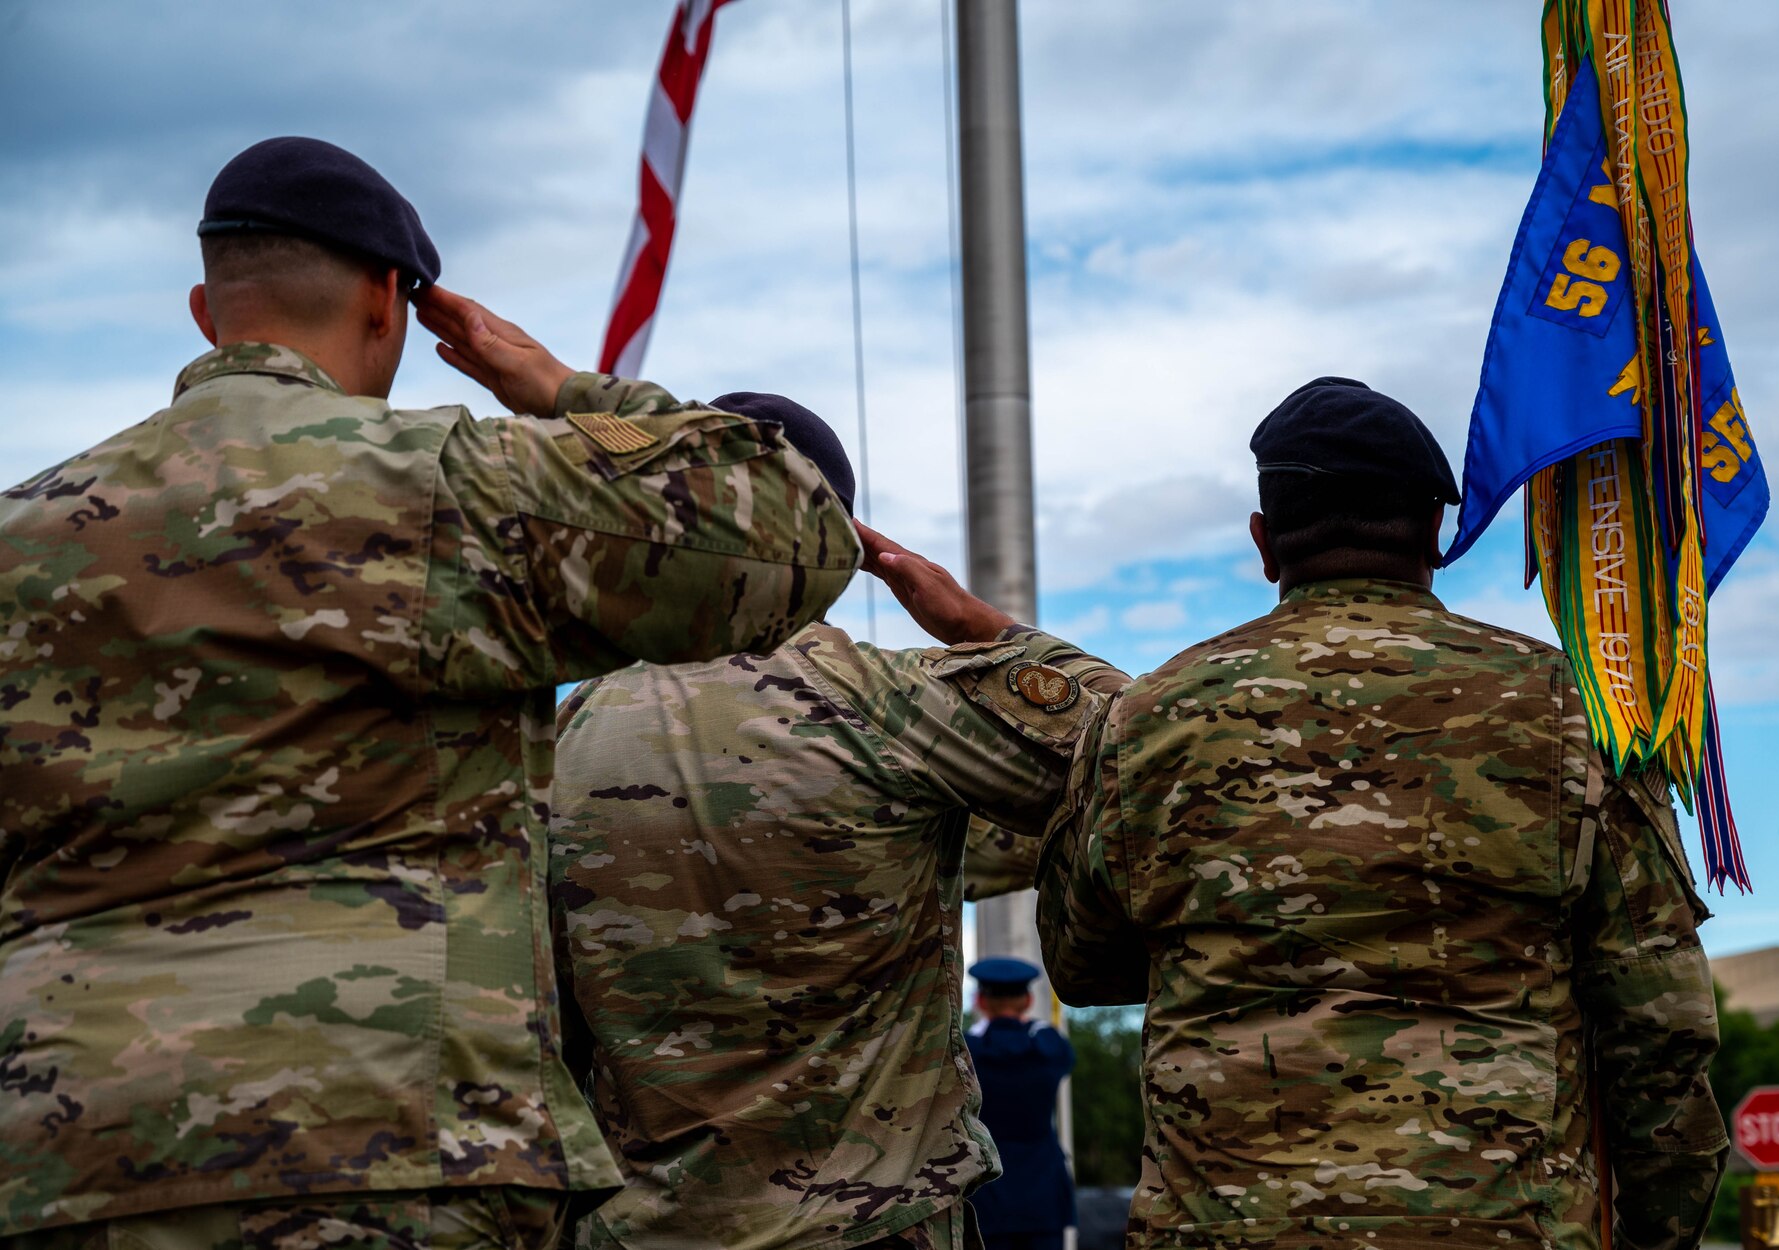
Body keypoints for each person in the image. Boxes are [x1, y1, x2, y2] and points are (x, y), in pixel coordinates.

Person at [0, 139, 857, 1247]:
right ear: (389, 299)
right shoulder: (434, 481)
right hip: (384, 1138)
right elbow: (789, 516)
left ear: (207, 311)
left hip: (61, 1153)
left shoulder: (23, 533)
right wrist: (560, 392)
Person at [1037, 377, 1728, 1250]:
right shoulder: (1568, 709)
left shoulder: (1145, 719)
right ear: (1436, 533)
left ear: (1264, 542)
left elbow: (1083, 964)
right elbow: (1658, 1026)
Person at [549, 395, 1123, 1250]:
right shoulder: (886, 701)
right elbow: (1146, 753)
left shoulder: (570, 730)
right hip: (872, 1224)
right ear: (838, 545)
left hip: (644, 1230)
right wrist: (984, 631)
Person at [963, 958, 1076, 1250]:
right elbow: (1059, 1052)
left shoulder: (967, 1051)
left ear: (980, 1000)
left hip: (985, 1193)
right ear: (1028, 1000)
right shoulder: (1049, 1048)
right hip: (1042, 1194)